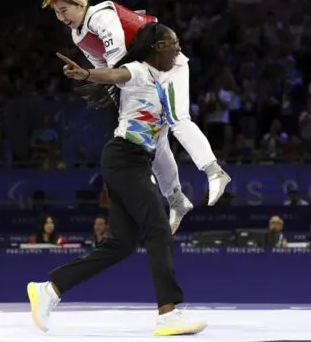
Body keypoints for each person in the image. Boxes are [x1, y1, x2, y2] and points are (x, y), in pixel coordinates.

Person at [27, 23, 208, 336]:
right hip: (125, 158)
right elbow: (114, 75)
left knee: (121, 245)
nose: (178, 49)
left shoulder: (163, 82)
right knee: (157, 228)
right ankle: (168, 313)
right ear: (156, 47)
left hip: (135, 160)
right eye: (173, 43)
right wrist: (86, 74)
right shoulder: (137, 70)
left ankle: (51, 289)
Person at [42, 0, 231, 233]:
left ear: (80, 2)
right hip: (140, 74)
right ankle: (177, 200)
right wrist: (115, 97)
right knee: (153, 138)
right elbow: (105, 69)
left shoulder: (101, 15)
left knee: (177, 118)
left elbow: (117, 58)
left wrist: (93, 77)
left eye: (64, 10)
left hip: (164, 61)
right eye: (57, 13)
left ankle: (214, 171)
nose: (62, 17)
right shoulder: (78, 35)